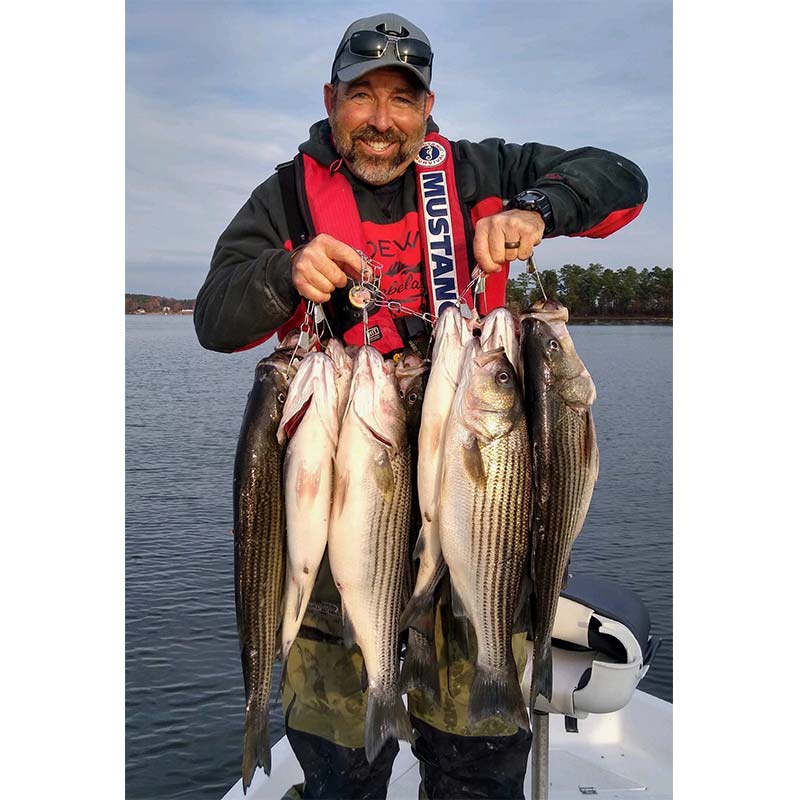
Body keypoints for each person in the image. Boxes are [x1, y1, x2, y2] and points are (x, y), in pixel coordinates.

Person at [195, 12, 647, 800]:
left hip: (479, 492)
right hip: (347, 503)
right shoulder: (286, 197)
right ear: (330, 98)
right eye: (361, 95)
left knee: (477, 760)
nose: (380, 120)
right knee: (341, 765)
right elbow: (214, 320)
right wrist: (282, 271)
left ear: (427, 107)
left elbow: (621, 180)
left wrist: (535, 207)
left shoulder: (481, 172)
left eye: (401, 99)